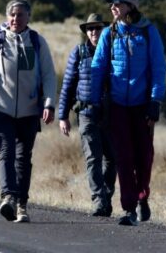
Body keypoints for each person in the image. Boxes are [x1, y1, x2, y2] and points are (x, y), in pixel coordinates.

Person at [0, 0, 57, 223]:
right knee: (6, 152)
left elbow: (49, 75)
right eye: (11, 14)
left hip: (29, 112)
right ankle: (8, 196)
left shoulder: (37, 42)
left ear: (28, 17)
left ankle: (22, 205)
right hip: (0, 109)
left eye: (20, 15)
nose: (15, 19)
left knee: (23, 159)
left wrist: (49, 103)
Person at [90, 0, 166, 227]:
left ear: (130, 6)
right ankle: (129, 208)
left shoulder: (148, 32)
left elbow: (158, 68)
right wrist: (94, 101)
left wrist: (155, 100)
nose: (113, 7)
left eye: (117, 3)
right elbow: (98, 68)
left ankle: (143, 196)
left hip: (142, 105)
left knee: (143, 158)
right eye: (111, 3)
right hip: (116, 106)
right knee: (123, 157)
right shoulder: (108, 34)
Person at [58, 13, 116, 217]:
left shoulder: (113, 52)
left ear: (104, 30)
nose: (94, 32)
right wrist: (62, 115)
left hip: (111, 115)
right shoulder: (79, 52)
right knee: (93, 158)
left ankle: (107, 197)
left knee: (112, 159)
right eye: (90, 29)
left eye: (98, 28)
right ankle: (99, 200)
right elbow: (68, 84)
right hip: (87, 113)